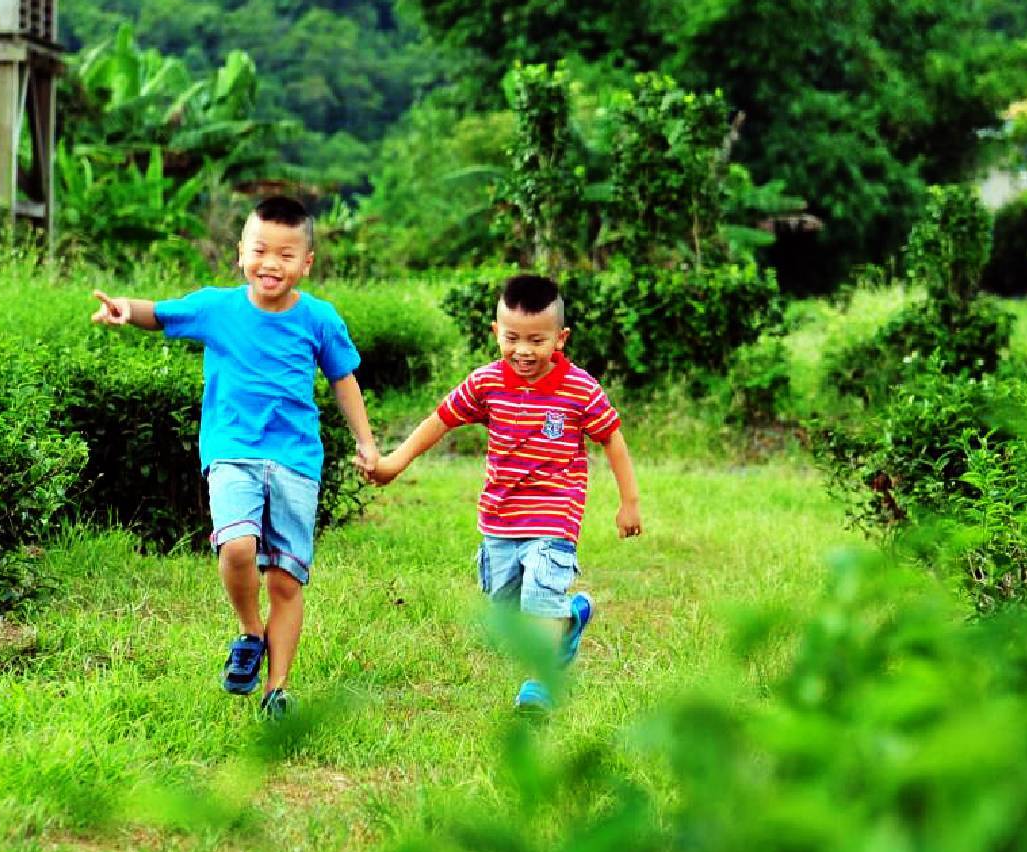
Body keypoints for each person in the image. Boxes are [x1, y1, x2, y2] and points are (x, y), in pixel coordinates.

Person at [91, 195, 379, 720]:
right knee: (238, 544)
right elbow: (160, 313)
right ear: (241, 253)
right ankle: (250, 632)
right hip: (232, 452)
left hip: (295, 460)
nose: (271, 264)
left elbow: (344, 379)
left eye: (286, 255)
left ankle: (277, 689)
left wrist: (366, 442)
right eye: (261, 250)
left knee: (286, 581)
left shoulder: (319, 318)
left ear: (306, 263)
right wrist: (123, 310)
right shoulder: (217, 307)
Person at [361, 274, 642, 712]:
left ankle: (540, 686)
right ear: (496, 333)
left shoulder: (579, 389)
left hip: (554, 514)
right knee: (506, 608)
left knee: (538, 597)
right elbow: (441, 420)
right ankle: (570, 621)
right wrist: (395, 462)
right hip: (500, 516)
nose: (524, 351)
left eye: (537, 340)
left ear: (560, 339)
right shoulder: (486, 383)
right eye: (513, 338)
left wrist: (629, 503)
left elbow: (612, 439)